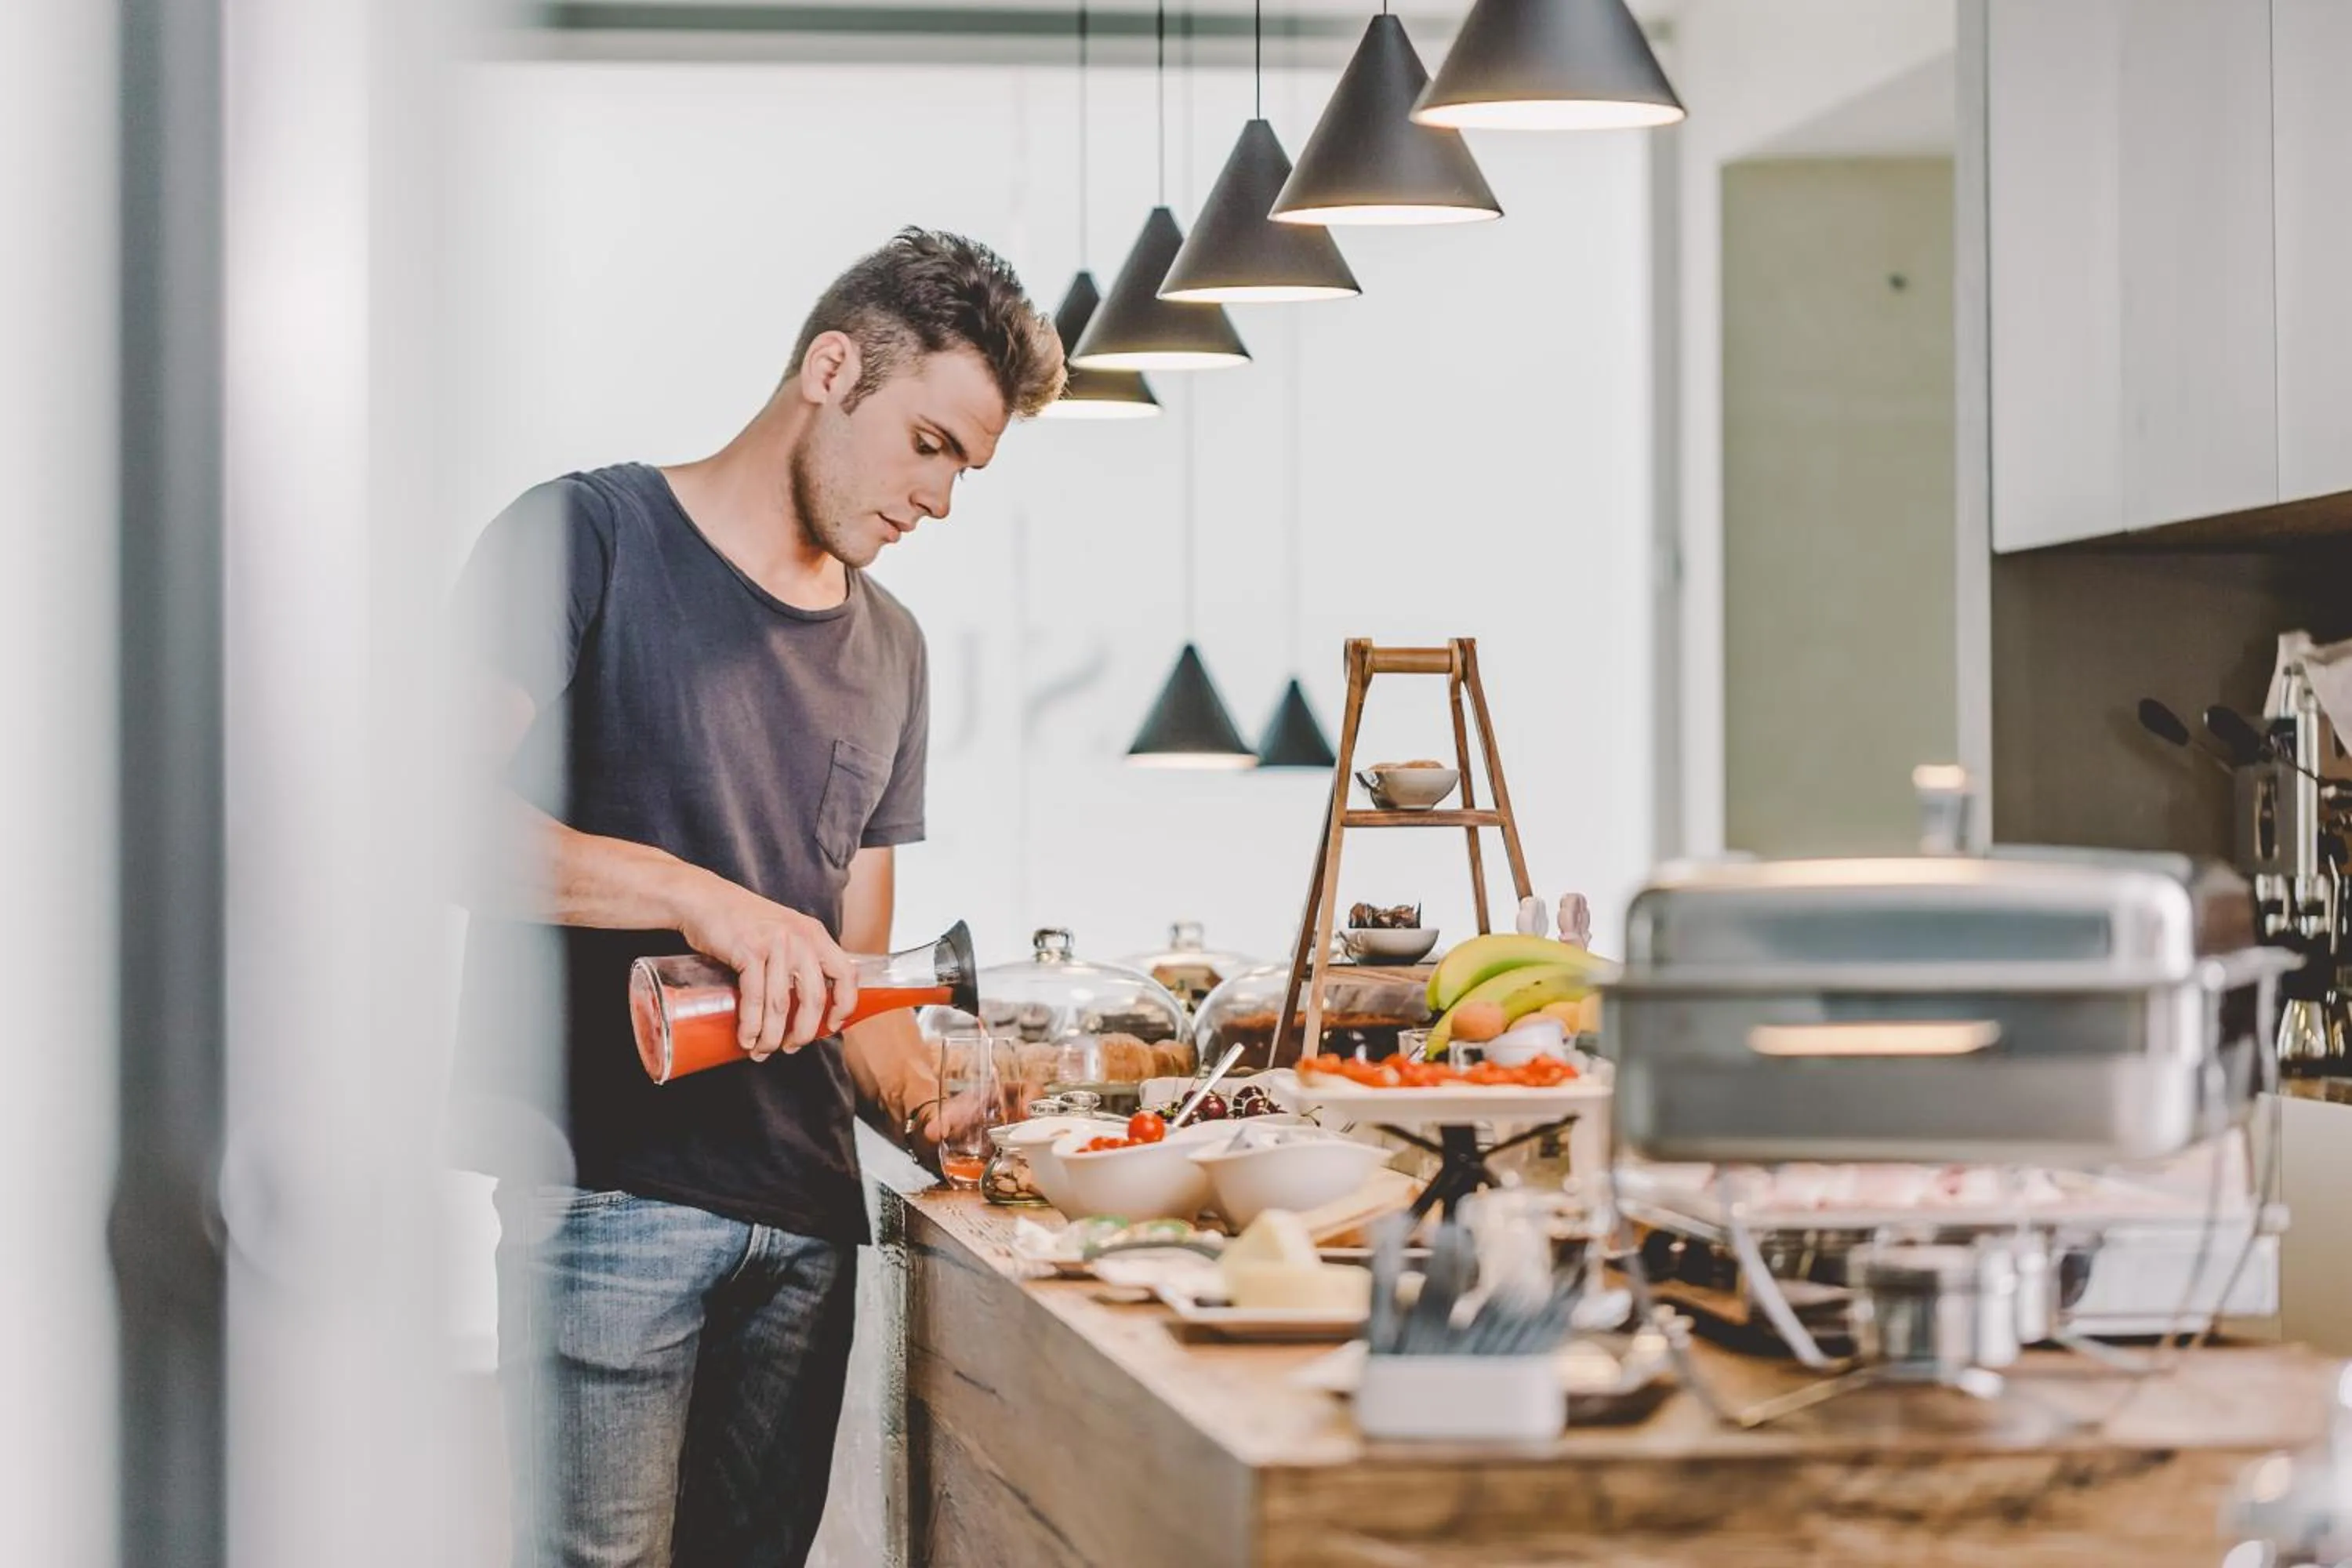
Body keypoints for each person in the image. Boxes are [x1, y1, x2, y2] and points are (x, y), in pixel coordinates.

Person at [453, 228, 1065, 1568]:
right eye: (929, 445)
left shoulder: (893, 649)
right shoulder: (585, 539)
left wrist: (936, 1101)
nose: (939, 500)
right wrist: (697, 898)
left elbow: (860, 979)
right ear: (831, 369)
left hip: (804, 1217)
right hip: (607, 1201)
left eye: (965, 469)